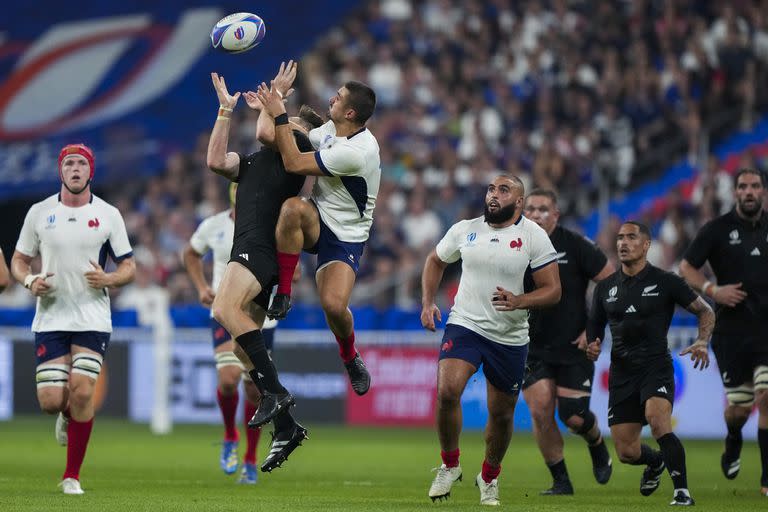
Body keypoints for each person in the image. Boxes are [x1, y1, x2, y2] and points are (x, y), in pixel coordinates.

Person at [206, 63, 323, 473]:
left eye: (287, 121)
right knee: (240, 347)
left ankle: (275, 394)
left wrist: (276, 98)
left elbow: (264, 131)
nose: (280, 122)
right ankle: (288, 425)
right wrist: (225, 110)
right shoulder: (258, 162)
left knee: (223, 311)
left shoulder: (300, 150)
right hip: (250, 249)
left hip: (259, 248)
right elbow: (216, 159)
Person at [420, 175, 561, 506]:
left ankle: (489, 476)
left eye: (504, 190)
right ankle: (450, 464)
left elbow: (553, 290)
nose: (494, 195)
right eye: (491, 189)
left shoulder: (533, 236)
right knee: (447, 390)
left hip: (509, 336)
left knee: (500, 415)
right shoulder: (465, 229)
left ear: (519, 201)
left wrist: (519, 301)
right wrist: (428, 302)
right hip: (465, 324)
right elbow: (435, 261)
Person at [10, 143, 136, 495]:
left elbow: (129, 266)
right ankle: (64, 416)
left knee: (82, 392)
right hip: (50, 318)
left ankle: (71, 476)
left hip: (93, 318)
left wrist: (110, 279)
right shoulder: (39, 212)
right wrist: (29, 280)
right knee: (52, 402)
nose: (76, 169)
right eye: (69, 163)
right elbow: (19, 260)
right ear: (60, 171)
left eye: (82, 163)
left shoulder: (109, 214)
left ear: (91, 171)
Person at [255, 72, 379, 396]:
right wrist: (273, 112)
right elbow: (290, 135)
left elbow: (294, 163)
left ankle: (349, 356)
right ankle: (283, 293)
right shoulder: (334, 131)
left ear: (350, 113)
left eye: (337, 97)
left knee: (334, 307)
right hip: (319, 216)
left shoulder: (357, 151)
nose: (331, 99)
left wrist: (279, 112)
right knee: (292, 208)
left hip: (348, 235)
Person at [586, 221, 714, 506]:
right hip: (621, 372)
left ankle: (682, 491)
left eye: (631, 237)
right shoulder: (605, 288)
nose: (623, 243)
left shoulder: (666, 281)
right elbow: (594, 327)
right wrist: (592, 345)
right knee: (626, 452)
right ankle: (655, 462)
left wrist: (702, 341)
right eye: (620, 238)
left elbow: (705, 311)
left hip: (655, 365)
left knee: (658, 421)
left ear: (646, 245)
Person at [679, 168, 768, 494]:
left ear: (763, 191)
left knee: (767, 395)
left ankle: (766, 479)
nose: (748, 191)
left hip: (766, 330)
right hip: (731, 332)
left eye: (755, 186)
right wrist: (712, 290)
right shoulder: (716, 229)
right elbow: (686, 266)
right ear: (735, 192)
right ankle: (733, 441)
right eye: (743, 186)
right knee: (740, 410)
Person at [522, 188, 615, 495]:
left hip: (574, 348)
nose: (536, 214)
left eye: (543, 209)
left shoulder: (575, 245)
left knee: (573, 417)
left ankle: (596, 442)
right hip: (532, 347)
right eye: (531, 209)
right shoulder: (514, 245)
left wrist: (594, 329)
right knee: (539, 410)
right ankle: (561, 481)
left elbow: (611, 283)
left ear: (556, 215)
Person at [182, 183, 264, 484]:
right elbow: (190, 254)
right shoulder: (213, 225)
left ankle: (251, 459)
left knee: (255, 390)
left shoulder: (267, 225)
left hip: (260, 317)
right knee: (229, 380)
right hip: (224, 311)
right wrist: (202, 287)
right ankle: (231, 434)